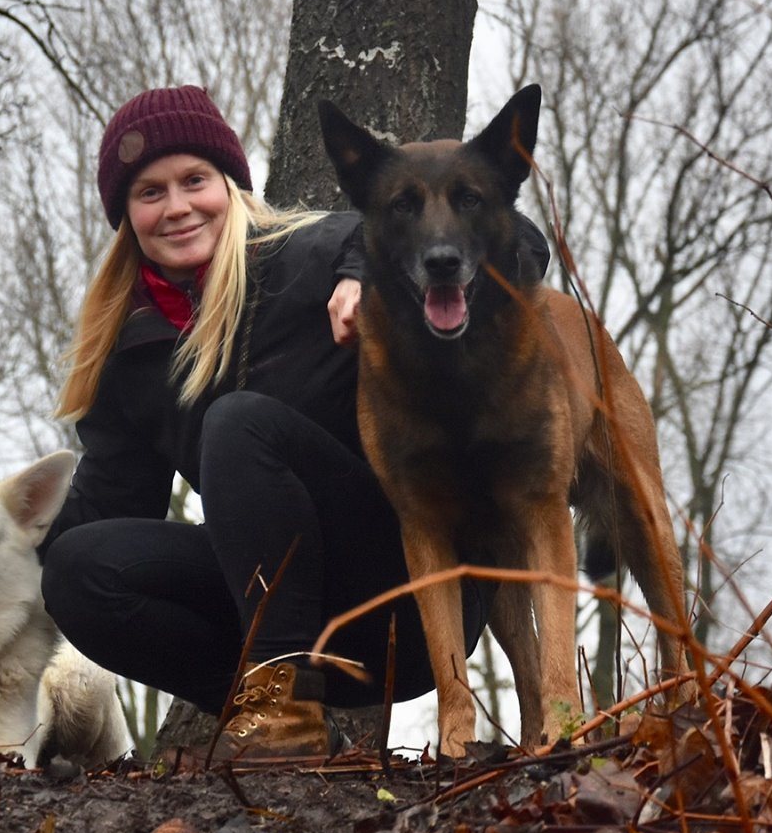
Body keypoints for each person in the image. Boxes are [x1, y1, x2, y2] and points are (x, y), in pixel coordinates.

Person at [38, 85, 550, 759]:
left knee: (239, 423)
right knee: (79, 568)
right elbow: (108, 509)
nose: (178, 206)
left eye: (195, 179)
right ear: (125, 214)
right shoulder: (131, 351)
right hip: (280, 607)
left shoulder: (313, 250)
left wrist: (370, 276)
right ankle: (277, 718)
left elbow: (527, 247)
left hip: (407, 588)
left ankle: (281, 693)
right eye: (150, 191)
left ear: (229, 182)